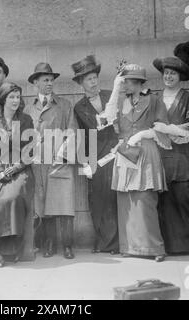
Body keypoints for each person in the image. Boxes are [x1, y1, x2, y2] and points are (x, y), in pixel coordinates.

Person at [103, 63, 186, 262]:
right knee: (126, 201)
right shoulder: (121, 100)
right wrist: (115, 88)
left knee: (145, 199)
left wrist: (142, 133)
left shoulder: (154, 100)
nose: (124, 86)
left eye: (127, 82)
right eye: (123, 82)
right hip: (125, 151)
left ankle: (155, 248)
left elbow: (163, 128)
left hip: (146, 150)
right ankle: (130, 247)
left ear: (138, 83)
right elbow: (107, 118)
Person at [153, 40, 189, 256]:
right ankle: (173, 246)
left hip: (181, 160)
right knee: (165, 205)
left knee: (186, 202)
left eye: (173, 74)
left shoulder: (188, 99)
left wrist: (169, 129)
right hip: (160, 160)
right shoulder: (155, 98)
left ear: (180, 77)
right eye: (166, 73)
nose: (168, 77)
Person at [24, 62, 78, 260]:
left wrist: (62, 156)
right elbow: (25, 137)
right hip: (39, 164)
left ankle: (67, 246)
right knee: (43, 203)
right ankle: (49, 244)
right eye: (45, 80)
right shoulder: (29, 108)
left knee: (64, 205)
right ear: (35, 83)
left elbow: (71, 132)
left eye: (51, 80)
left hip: (60, 162)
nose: (49, 83)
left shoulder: (64, 105)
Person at [71, 55, 119, 255]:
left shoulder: (111, 96)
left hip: (118, 153)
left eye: (95, 77)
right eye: (88, 79)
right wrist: (85, 164)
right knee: (98, 200)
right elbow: (84, 134)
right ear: (81, 83)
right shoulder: (79, 107)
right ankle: (104, 243)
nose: (93, 82)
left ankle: (120, 243)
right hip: (96, 157)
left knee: (117, 198)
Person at [0, 82, 35, 268]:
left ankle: (14, 249)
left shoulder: (26, 120)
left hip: (20, 168)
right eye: (11, 97)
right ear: (3, 100)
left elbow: (30, 152)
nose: (15, 100)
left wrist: (15, 168)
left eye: (18, 97)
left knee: (13, 197)